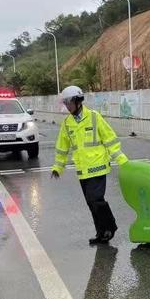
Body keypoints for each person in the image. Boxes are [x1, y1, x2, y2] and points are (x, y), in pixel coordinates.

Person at [51, 86, 128, 244]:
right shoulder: (67, 124)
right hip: (83, 170)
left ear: (77, 101)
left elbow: (110, 139)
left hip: (98, 166)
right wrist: (58, 168)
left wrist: (122, 161)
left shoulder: (94, 117)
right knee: (91, 203)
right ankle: (101, 233)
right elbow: (62, 147)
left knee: (96, 199)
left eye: (68, 102)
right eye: (65, 103)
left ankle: (109, 228)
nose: (67, 106)